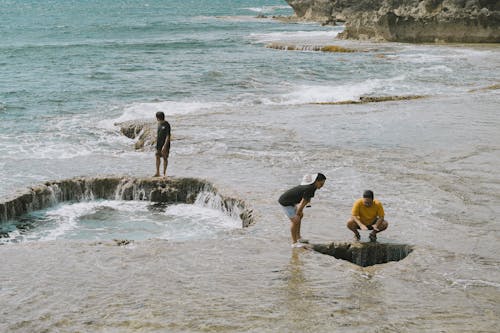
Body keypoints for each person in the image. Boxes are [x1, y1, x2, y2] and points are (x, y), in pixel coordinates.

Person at [278, 173, 326, 248]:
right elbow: (303, 201)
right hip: (285, 202)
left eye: (323, 184)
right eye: (321, 183)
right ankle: (294, 243)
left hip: (291, 201)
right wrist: (298, 211)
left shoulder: (312, 187)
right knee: (296, 220)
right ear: (316, 181)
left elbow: (307, 199)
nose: (322, 186)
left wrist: (300, 211)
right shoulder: (310, 188)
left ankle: (299, 237)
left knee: (300, 215)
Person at [154, 111, 171, 178]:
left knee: (165, 158)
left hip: (165, 144)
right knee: (157, 157)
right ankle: (157, 172)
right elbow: (159, 134)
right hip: (158, 144)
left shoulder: (166, 124)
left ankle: (164, 173)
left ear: (158, 117)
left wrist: (165, 146)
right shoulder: (159, 124)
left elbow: (168, 136)